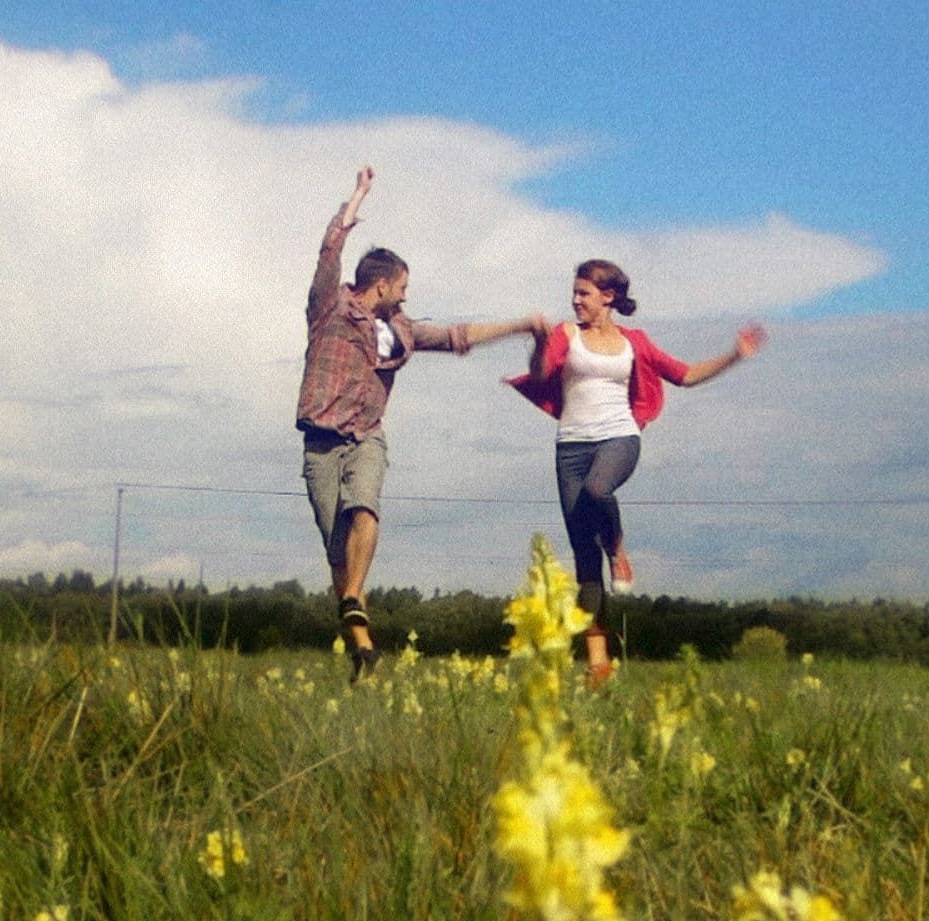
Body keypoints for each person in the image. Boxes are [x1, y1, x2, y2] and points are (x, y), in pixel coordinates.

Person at [297, 166, 544, 682]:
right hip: (321, 443)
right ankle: (362, 646)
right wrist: (356, 198)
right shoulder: (330, 307)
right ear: (380, 285)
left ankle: (352, 605)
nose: (406, 297)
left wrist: (518, 325)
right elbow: (328, 253)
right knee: (336, 548)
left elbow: (458, 336)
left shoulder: (403, 330)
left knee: (366, 506)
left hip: (366, 434)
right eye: (402, 288)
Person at [508, 258, 767, 688]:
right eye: (574, 293)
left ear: (607, 297)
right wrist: (538, 344)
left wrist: (734, 356)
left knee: (598, 489)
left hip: (619, 438)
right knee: (583, 560)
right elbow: (541, 373)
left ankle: (619, 547)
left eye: (584, 294)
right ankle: (598, 664)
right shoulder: (565, 335)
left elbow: (683, 375)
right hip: (570, 447)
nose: (575, 301)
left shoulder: (635, 343)